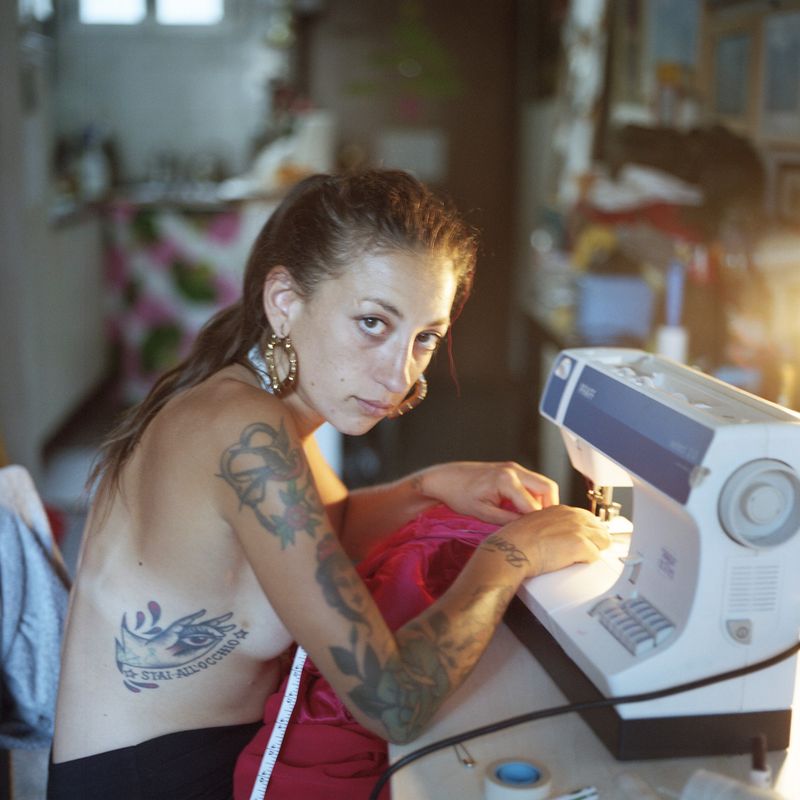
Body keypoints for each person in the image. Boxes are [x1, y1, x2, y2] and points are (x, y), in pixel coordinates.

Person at [48, 169, 609, 799]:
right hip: (154, 784)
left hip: (182, 763)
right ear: (285, 301)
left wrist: (429, 485)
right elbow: (393, 702)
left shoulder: (249, 397)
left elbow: (324, 531)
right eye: (373, 323)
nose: (399, 374)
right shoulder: (244, 433)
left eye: (425, 338)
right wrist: (512, 556)